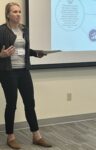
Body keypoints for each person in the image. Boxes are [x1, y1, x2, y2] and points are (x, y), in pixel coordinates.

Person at [0, 2, 52, 149]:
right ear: (8, 14)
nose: (18, 14)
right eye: (15, 12)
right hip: (8, 73)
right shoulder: (1, 30)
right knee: (11, 105)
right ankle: (10, 137)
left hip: (24, 71)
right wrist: (1, 54)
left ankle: (37, 136)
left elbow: (25, 50)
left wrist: (37, 53)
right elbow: (3, 52)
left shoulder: (24, 30)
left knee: (30, 104)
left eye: (19, 11)